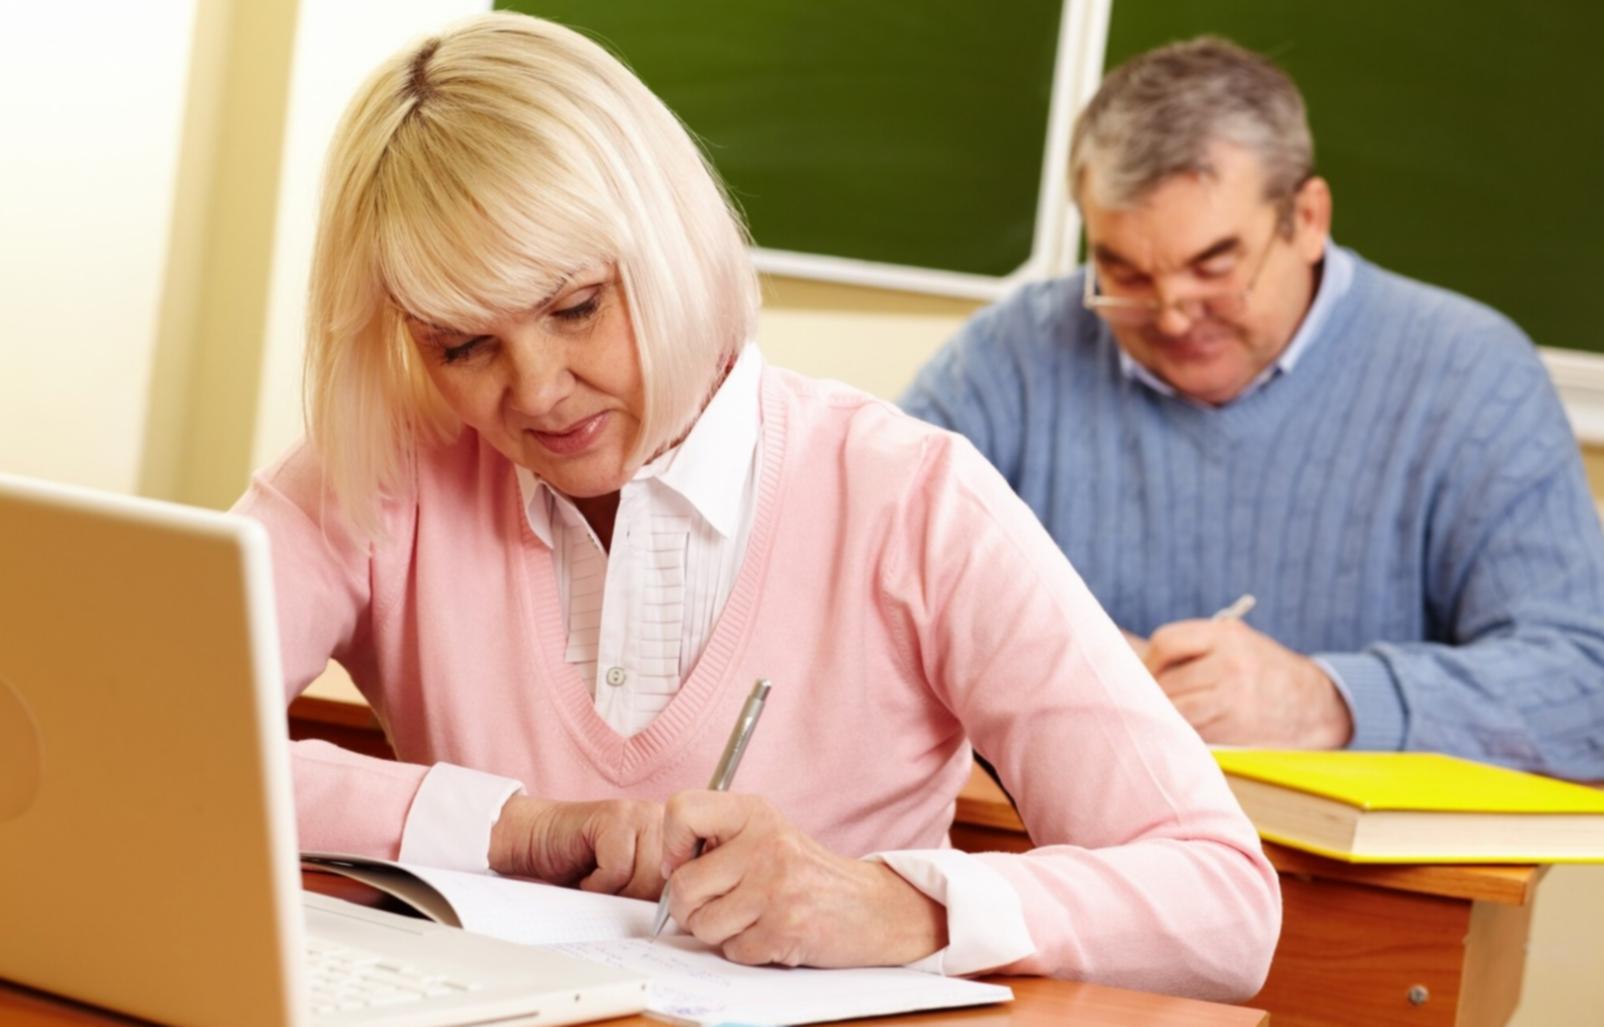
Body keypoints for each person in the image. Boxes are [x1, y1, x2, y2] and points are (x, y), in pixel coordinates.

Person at [234, 12, 1278, 997]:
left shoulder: (909, 497)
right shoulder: (384, 464)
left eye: (576, 308)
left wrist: (895, 904)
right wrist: (504, 827)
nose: (538, 388)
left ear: (669, 245)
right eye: (463, 344)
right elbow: (137, 744)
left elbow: (1222, 904)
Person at [900, 37, 1604, 780]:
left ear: (1307, 218)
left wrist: (1329, 702)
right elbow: (859, 579)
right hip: (1046, 867)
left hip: (1355, 888)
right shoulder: (1011, 354)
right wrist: (1062, 663)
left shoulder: (1471, 376)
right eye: (1125, 272)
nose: (1172, 317)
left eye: (1215, 268)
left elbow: (1585, 685)